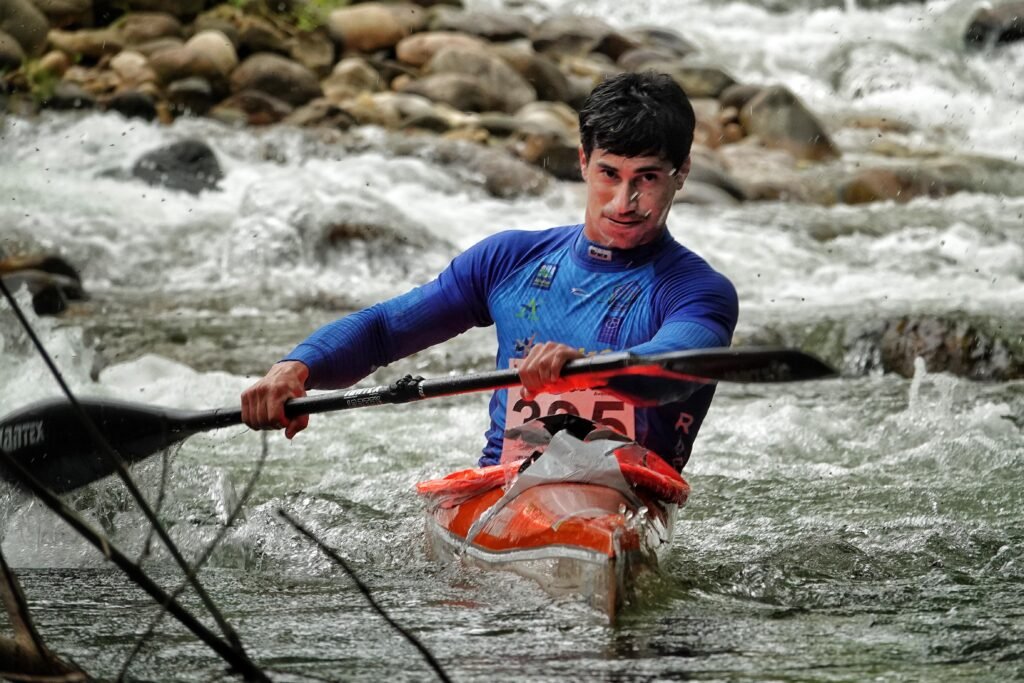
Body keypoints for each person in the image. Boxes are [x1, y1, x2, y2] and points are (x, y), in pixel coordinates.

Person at [241, 71, 738, 471]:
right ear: (584, 162)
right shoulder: (508, 261)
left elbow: (677, 367)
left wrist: (589, 364)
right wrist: (297, 367)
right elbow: (384, 331)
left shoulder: (698, 292)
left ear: (682, 173)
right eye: (610, 174)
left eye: (646, 178)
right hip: (503, 495)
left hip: (629, 498)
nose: (624, 201)